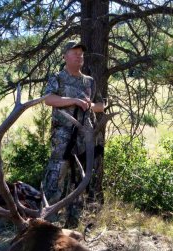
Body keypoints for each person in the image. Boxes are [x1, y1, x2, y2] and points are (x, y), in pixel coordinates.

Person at [43, 40, 104, 227]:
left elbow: (102, 105)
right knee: (57, 175)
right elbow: (48, 99)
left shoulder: (90, 81)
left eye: (81, 53)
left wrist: (90, 105)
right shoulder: (58, 78)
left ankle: (73, 223)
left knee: (80, 178)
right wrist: (75, 100)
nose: (79, 55)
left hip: (84, 138)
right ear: (65, 56)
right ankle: (48, 222)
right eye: (74, 52)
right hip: (62, 137)